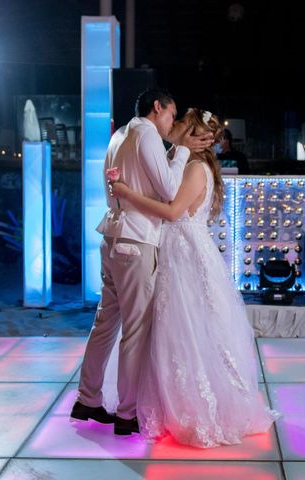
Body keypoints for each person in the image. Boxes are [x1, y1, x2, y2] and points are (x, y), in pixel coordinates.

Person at [112, 108, 277, 448]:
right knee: (178, 328)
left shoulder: (195, 169)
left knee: (186, 327)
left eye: (183, 126)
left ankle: (197, 408)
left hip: (184, 250)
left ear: (195, 137)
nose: (175, 128)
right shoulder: (189, 164)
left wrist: (128, 195)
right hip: (182, 248)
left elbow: (174, 212)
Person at [70, 89, 214, 436]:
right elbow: (167, 190)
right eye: (171, 114)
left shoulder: (120, 133)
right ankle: (127, 412)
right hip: (137, 241)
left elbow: (128, 182)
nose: (171, 124)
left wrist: (173, 149)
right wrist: (180, 150)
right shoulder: (147, 133)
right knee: (135, 330)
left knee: (105, 323)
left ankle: (87, 397)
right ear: (158, 107)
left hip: (113, 236)